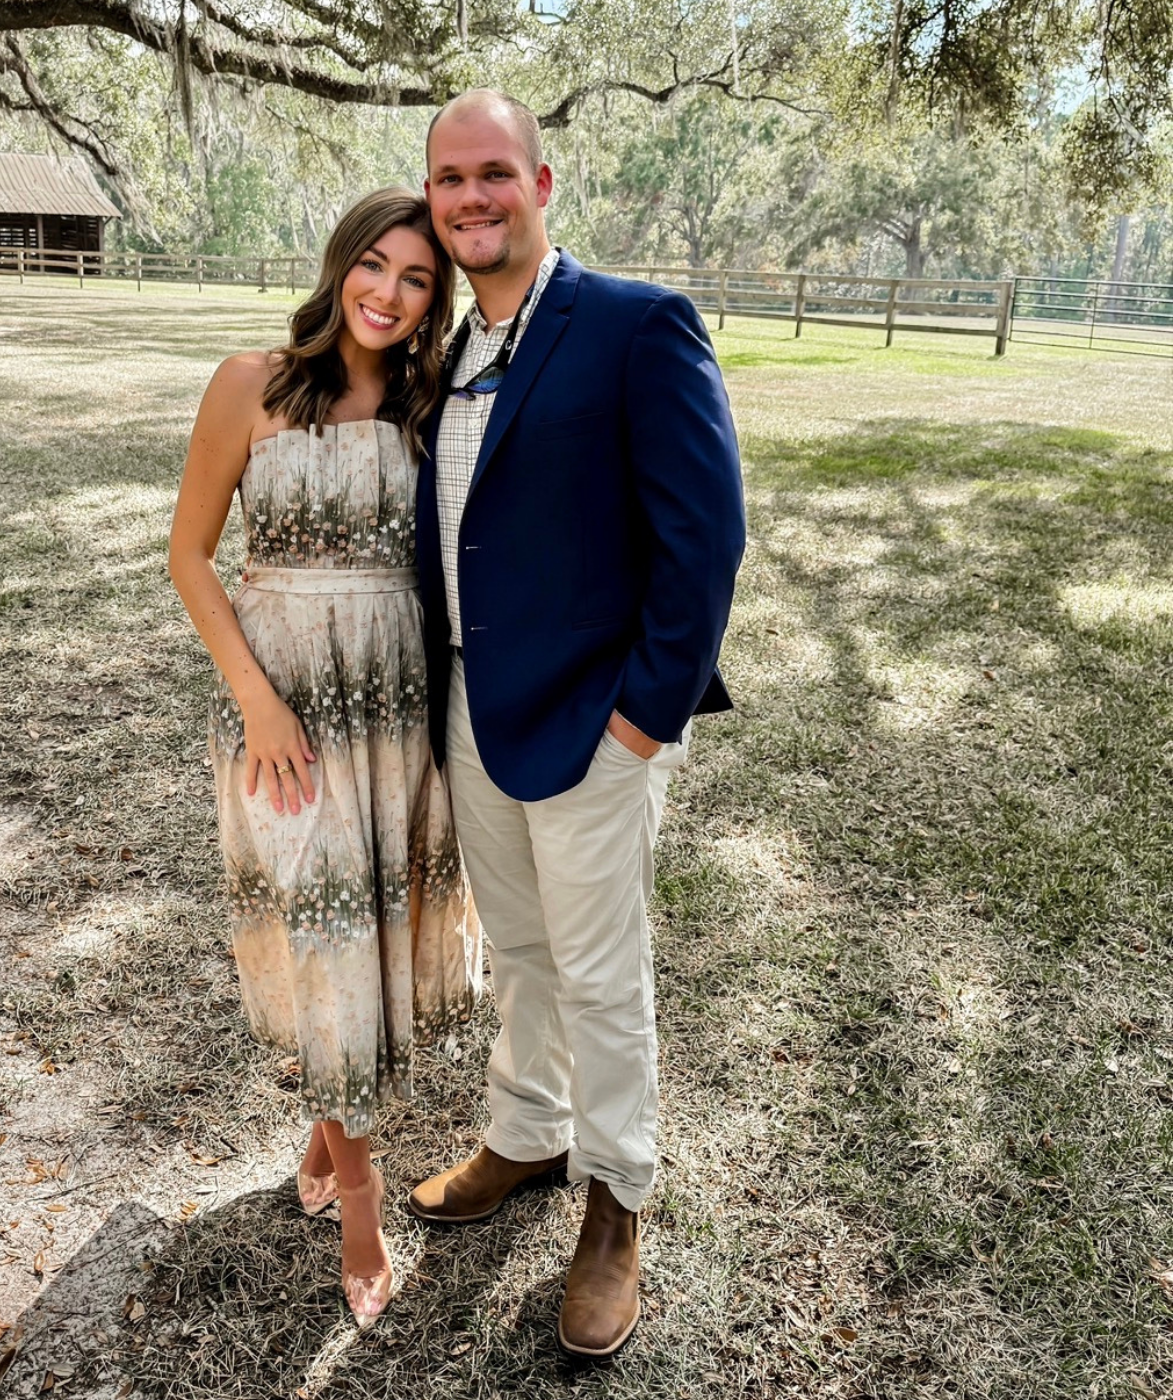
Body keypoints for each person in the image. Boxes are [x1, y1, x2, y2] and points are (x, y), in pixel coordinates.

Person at [408, 91, 747, 1358]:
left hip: (595, 726)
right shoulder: (450, 346)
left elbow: (705, 536)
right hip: (471, 707)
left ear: (542, 184)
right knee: (524, 950)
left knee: (603, 974)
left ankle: (615, 1203)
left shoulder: (633, 324)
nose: (469, 199)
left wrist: (644, 722)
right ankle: (525, 1131)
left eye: (493, 173)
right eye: (448, 179)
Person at [169, 188, 477, 1330]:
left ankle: (324, 1123)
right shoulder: (247, 381)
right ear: (339, 261)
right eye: (375, 267)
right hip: (282, 708)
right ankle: (358, 1197)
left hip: (395, 706)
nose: (388, 296)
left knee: (366, 943)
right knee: (325, 938)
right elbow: (190, 554)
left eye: (416, 281)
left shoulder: (431, 401)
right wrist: (257, 701)